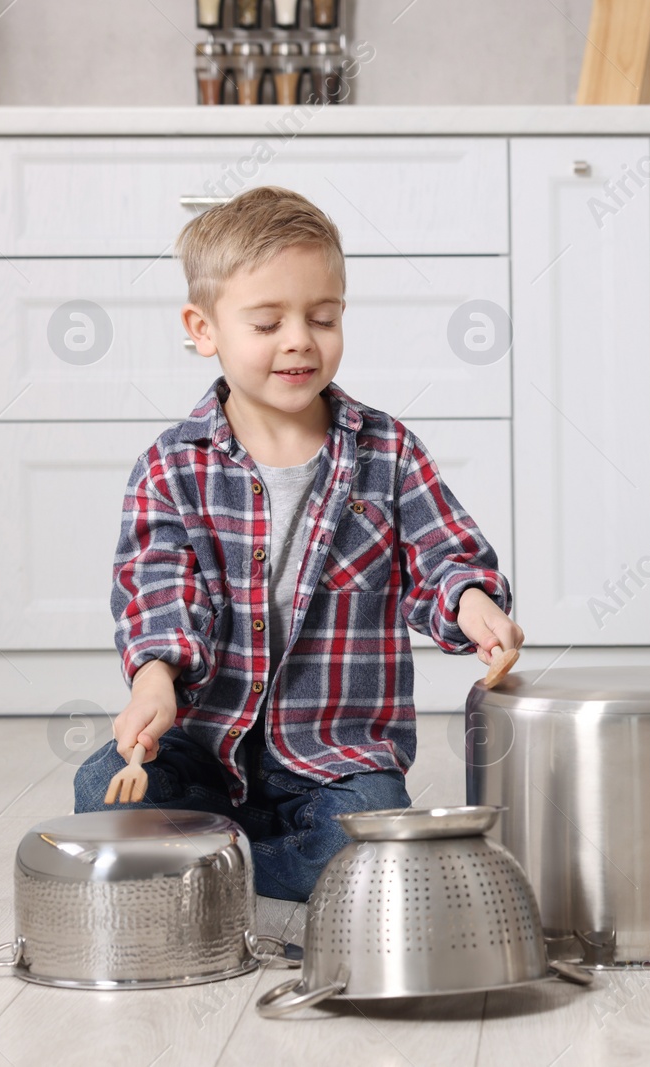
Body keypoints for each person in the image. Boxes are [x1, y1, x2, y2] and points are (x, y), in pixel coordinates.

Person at [74, 186, 521, 901]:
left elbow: (442, 552)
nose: (299, 340)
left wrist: (470, 602)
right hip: (204, 747)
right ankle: (231, 855)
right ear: (203, 328)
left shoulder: (387, 452)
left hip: (335, 758)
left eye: (323, 317)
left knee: (366, 832)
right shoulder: (173, 465)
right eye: (267, 321)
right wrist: (153, 677)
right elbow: (158, 586)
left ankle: (211, 868)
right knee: (104, 789)